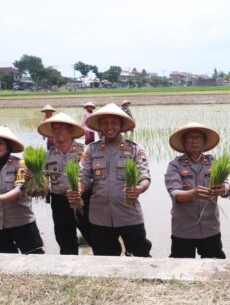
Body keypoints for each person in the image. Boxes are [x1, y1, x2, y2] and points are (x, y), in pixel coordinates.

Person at [66, 103, 152, 257]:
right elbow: (83, 176)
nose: (109, 127)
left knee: (140, 255)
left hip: (129, 214)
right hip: (100, 216)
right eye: (105, 123)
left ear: (121, 125)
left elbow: (145, 177)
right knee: (104, 257)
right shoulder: (91, 149)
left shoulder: (134, 148)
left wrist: (139, 188)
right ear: (99, 127)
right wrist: (77, 189)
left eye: (113, 123)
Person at [164, 123, 230, 258]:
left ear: (204, 141)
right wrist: (193, 193)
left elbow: (227, 186)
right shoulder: (175, 165)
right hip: (183, 230)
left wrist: (224, 189)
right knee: (180, 268)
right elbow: (175, 194)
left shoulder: (213, 162)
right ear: (183, 142)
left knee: (214, 266)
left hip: (210, 228)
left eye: (198, 137)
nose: (194, 141)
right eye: (190, 138)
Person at [37, 113, 94, 255]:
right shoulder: (47, 155)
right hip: (59, 201)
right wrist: (34, 177)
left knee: (94, 236)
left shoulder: (84, 152)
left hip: (83, 200)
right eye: (55, 128)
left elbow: (92, 177)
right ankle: (71, 270)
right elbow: (42, 182)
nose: (58, 131)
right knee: (64, 239)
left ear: (71, 131)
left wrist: (79, 191)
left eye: (61, 128)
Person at [0, 126, 45, 254]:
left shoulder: (21, 164)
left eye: (0, 143)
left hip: (22, 222)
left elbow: (19, 191)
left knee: (35, 259)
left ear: (8, 146)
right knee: (6, 263)